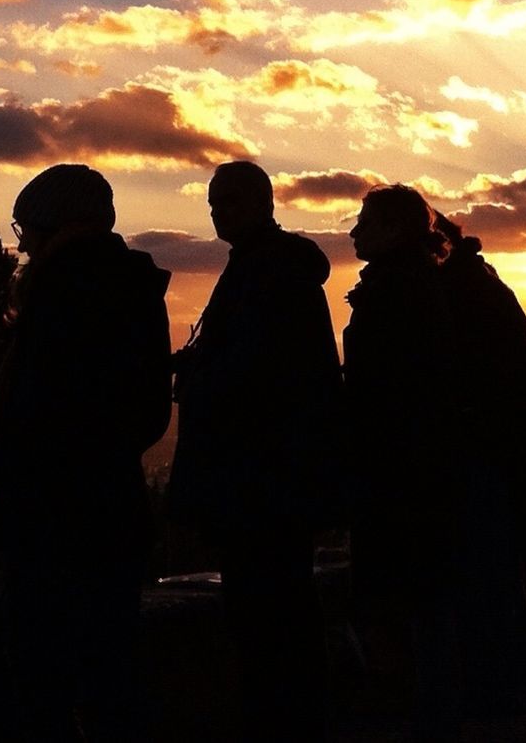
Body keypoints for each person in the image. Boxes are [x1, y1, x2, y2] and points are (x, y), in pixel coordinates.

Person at [0, 163, 172, 742]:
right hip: (112, 512)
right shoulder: (134, 288)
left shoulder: (62, 290)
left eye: (26, 232)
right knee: (110, 676)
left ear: (49, 227)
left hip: (50, 524)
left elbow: (39, 415)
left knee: (43, 683)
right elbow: (145, 413)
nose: (23, 247)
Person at [168, 160, 345, 743]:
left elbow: (255, 371)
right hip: (272, 477)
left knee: (270, 609)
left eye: (230, 200)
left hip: (261, 479)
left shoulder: (267, 271)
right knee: (282, 604)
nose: (218, 211)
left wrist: (198, 374)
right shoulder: (264, 267)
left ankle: (284, 721)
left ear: (263, 202)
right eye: (214, 201)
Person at [435, 215, 526, 698]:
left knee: (498, 574)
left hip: (491, 458)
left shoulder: (459, 303)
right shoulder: (513, 311)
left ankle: (510, 678)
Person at [342, 185, 461, 732]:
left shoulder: (393, 291)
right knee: (416, 593)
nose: (354, 231)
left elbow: (382, 389)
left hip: (393, 469)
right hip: (414, 466)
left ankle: (404, 707)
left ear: (392, 229)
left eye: (365, 220)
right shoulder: (420, 285)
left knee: (389, 591)